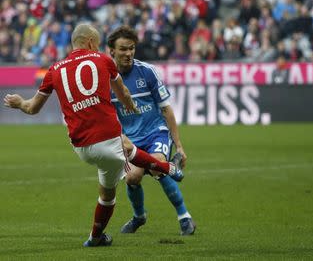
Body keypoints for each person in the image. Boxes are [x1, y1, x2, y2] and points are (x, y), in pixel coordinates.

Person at [3, 23, 183, 247]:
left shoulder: (54, 69)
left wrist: (19, 103)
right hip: (108, 138)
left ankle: (95, 238)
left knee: (107, 194)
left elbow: (32, 108)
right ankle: (169, 169)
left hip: (82, 147)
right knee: (128, 147)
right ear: (89, 42)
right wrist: (130, 105)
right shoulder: (103, 60)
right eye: (96, 43)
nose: (98, 47)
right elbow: (123, 92)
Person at [107, 25, 196, 235]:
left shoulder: (147, 72)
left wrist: (180, 146)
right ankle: (139, 217)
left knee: (157, 167)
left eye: (131, 48)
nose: (128, 53)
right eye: (123, 49)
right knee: (132, 178)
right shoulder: (105, 79)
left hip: (156, 132)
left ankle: (185, 217)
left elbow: (166, 109)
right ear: (111, 50)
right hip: (130, 140)